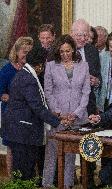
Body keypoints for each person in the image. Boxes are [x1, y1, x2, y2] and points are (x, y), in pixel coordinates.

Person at [1, 47, 68, 181]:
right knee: (24, 174)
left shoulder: (25, 74)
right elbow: (37, 107)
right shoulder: (28, 79)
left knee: (24, 172)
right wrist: (58, 122)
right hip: (22, 132)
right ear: (39, 66)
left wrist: (54, 115)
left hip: (21, 132)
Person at [42, 34, 91, 189]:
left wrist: (76, 113)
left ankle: (67, 185)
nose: (65, 54)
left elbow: (86, 92)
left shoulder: (84, 66)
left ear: (73, 50)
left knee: (70, 154)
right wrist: (57, 112)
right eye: (62, 51)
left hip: (77, 117)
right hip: (57, 117)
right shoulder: (50, 65)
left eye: (68, 51)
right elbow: (48, 91)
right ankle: (47, 184)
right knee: (51, 153)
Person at [0, 36, 33, 178]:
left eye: (29, 52)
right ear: (17, 51)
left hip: (28, 115)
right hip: (11, 114)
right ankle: (12, 180)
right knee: (12, 147)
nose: (26, 55)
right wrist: (15, 100)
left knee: (27, 148)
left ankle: (27, 179)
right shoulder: (7, 69)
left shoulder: (30, 69)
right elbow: (1, 93)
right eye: (24, 52)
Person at [71, 19, 101, 115]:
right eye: (79, 35)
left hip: (89, 106)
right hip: (68, 105)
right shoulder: (63, 50)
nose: (83, 39)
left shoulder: (93, 51)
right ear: (71, 34)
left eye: (86, 35)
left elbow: (98, 75)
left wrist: (97, 81)